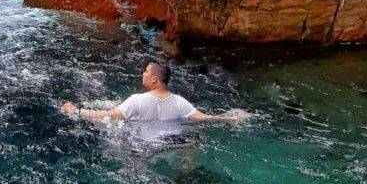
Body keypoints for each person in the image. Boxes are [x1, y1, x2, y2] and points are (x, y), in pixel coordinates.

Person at [61, 59, 247, 123]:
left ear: (155, 79)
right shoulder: (180, 102)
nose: (143, 74)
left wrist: (76, 111)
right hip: (169, 145)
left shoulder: (137, 101)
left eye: (146, 72)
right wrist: (231, 117)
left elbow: (108, 115)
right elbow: (206, 118)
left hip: (142, 150)